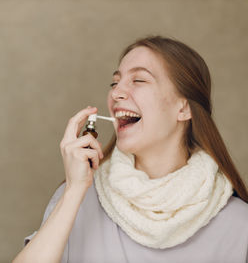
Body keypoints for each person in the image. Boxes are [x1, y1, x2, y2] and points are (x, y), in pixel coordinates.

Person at [12, 35, 248, 263]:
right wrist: (73, 191)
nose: (116, 93)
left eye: (139, 80)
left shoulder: (239, 225)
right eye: (115, 83)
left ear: (183, 108)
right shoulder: (78, 200)